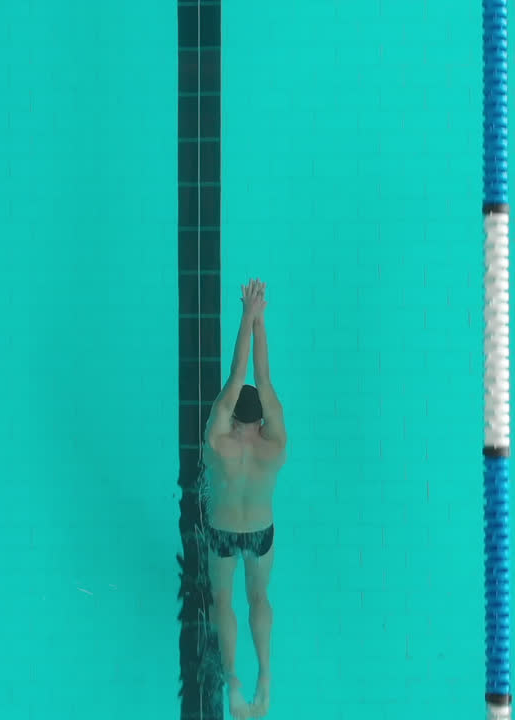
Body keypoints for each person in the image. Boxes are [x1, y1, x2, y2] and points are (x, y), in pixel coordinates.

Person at [203, 279, 287, 719]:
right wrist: (260, 320)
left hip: (221, 529)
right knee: (258, 599)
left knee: (222, 600)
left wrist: (246, 314)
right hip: (260, 532)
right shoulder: (275, 446)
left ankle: (234, 681)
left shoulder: (217, 440)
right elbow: (261, 379)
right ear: (262, 419)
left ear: (232, 413)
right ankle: (265, 675)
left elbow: (237, 377)